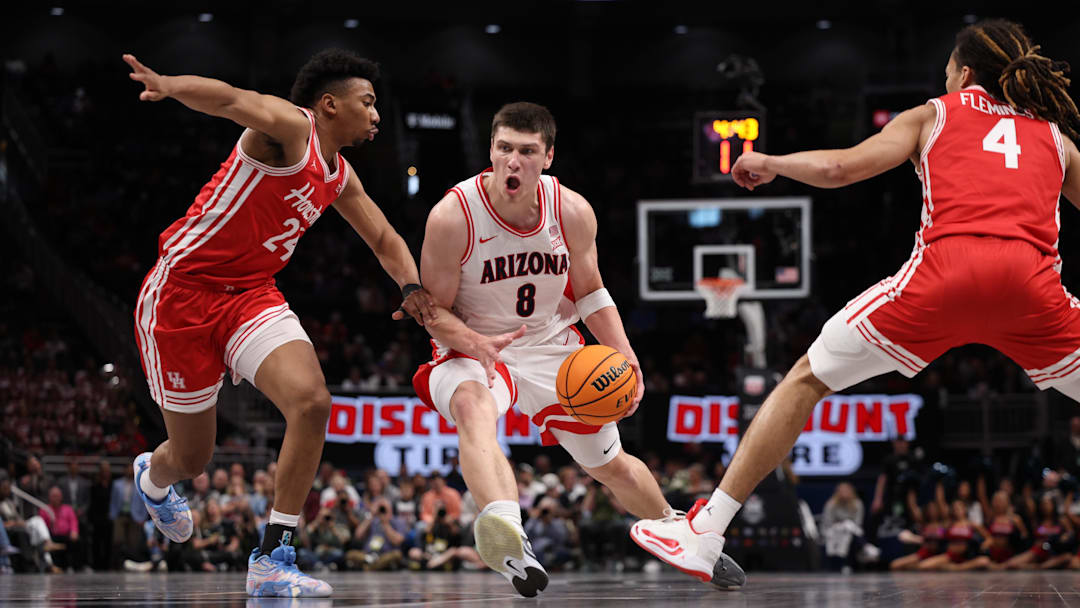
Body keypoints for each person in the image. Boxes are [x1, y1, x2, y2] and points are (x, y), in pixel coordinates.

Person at [631, 18, 1080, 588]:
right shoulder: (1054, 137)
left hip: (943, 278)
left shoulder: (936, 113)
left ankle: (706, 531)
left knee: (804, 379)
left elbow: (842, 167)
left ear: (964, 74)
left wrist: (772, 163)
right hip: (1032, 288)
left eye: (946, 72)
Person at [121, 47, 435, 597]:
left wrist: (411, 288)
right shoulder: (292, 128)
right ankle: (153, 477)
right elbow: (230, 99)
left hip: (251, 297)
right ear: (330, 104)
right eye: (368, 102)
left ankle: (273, 555)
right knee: (192, 458)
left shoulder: (339, 174)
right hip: (182, 296)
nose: (377, 114)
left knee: (313, 402)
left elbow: (385, 239)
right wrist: (170, 85)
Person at [412, 102, 670, 596]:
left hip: (552, 346)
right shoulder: (453, 216)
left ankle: (680, 530)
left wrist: (626, 356)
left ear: (547, 157)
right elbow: (432, 312)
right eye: (504, 148)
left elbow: (592, 293)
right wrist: (473, 342)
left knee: (608, 465)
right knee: (473, 406)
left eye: (527, 152)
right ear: (491, 150)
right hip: (474, 345)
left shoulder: (570, 210)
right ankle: (509, 535)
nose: (513, 161)